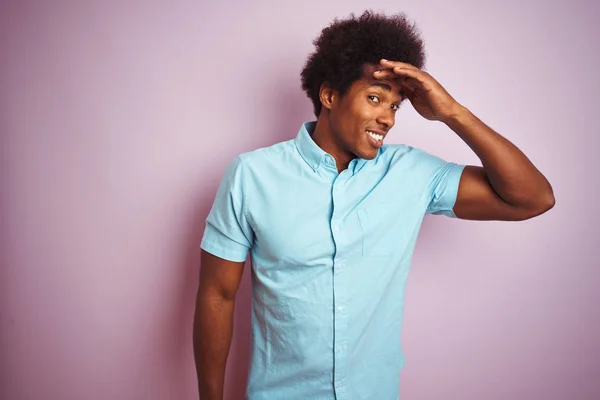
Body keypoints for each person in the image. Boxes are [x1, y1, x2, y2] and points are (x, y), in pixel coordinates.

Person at [193, 10, 554, 400]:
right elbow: (218, 294)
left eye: (395, 105)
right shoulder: (251, 175)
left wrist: (452, 113)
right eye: (375, 98)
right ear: (330, 96)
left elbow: (533, 198)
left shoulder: (411, 173)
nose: (387, 118)